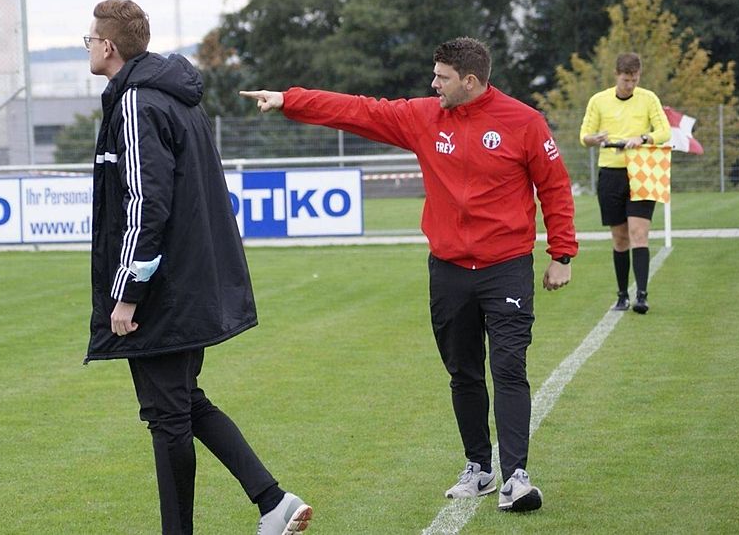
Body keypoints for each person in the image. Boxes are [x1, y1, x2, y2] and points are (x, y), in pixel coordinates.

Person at [241, 37, 577, 512]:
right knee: (462, 372)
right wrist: (289, 100)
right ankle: (479, 468)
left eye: (441, 77)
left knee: (508, 367)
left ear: (471, 81)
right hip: (449, 271)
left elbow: (555, 187)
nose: (432, 83)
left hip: (506, 269)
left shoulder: (524, 122)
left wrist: (561, 254)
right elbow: (360, 110)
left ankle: (516, 477)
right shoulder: (423, 117)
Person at [83, 0, 311, 534]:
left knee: (168, 417)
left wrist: (129, 291)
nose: (88, 48)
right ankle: (272, 501)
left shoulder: (139, 102)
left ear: (109, 46)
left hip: (165, 288)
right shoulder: (170, 97)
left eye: (90, 40)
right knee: (182, 402)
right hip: (188, 280)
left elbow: (146, 202)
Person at [580, 52, 671, 314]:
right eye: (625, 80)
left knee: (639, 233)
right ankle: (622, 295)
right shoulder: (599, 101)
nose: (630, 85)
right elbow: (584, 136)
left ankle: (641, 295)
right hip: (610, 172)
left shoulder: (648, 98)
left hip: (642, 169)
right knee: (620, 238)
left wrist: (642, 138)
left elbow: (663, 132)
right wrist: (594, 139)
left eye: (634, 80)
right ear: (616, 76)